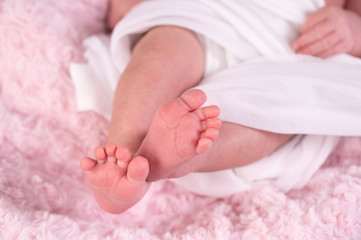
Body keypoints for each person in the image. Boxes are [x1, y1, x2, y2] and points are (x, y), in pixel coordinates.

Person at [79, 0, 361, 214]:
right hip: (206, 17)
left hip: (288, 58)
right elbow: (122, 10)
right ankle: (123, 160)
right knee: (162, 51)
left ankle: (183, 157)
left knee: (279, 111)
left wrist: (350, 29)